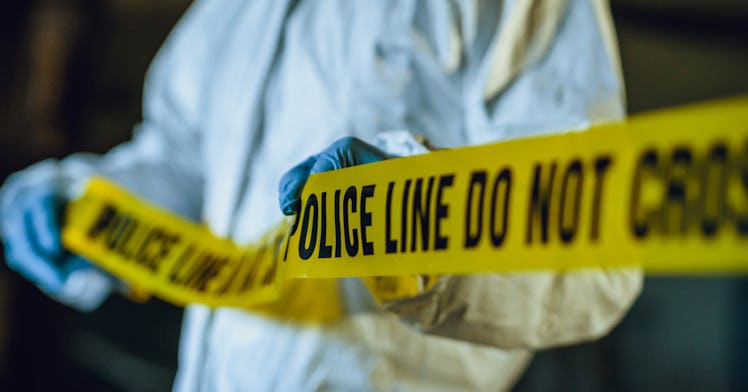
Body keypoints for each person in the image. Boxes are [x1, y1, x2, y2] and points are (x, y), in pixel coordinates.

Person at [1, 0, 642, 390]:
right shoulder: (233, 12)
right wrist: (89, 205)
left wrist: (422, 223)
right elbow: (186, 159)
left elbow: (592, 251)